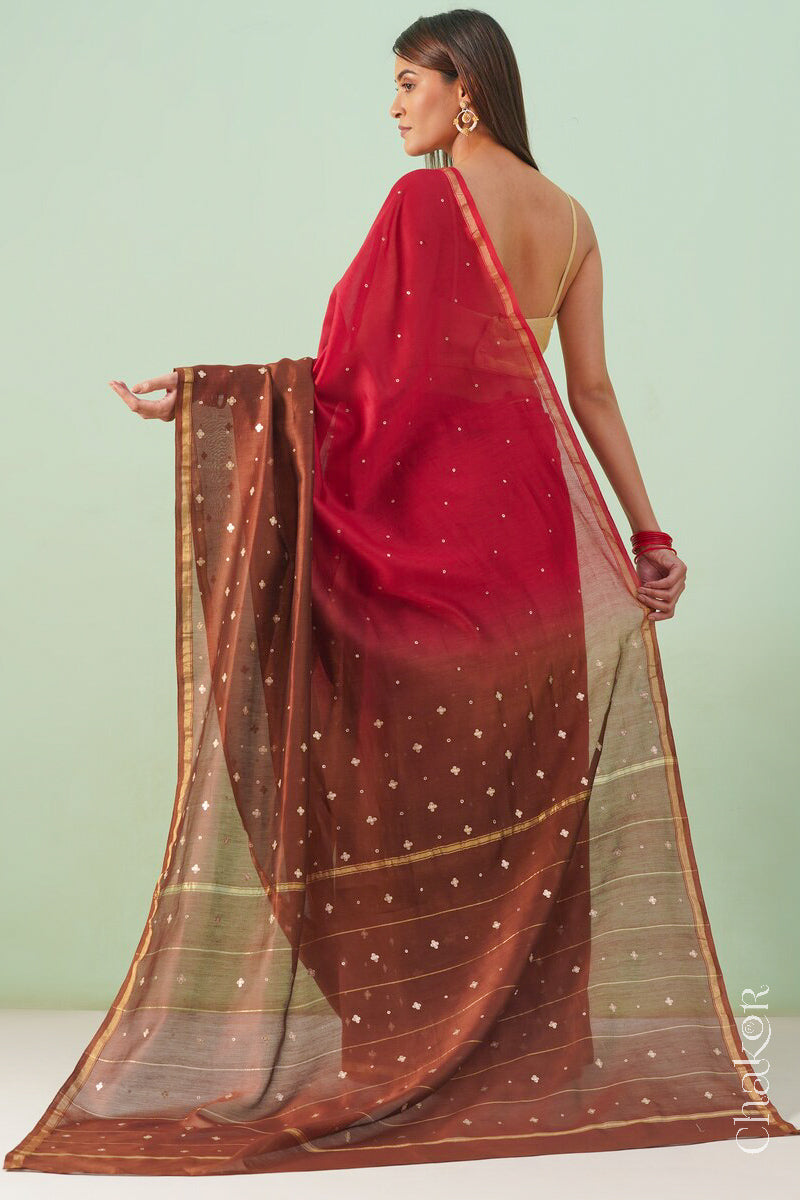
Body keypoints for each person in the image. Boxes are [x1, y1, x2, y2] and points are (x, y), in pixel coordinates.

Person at [6, 8, 797, 1179]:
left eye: (404, 84)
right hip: (532, 535)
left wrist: (211, 395)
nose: (391, 108)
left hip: (434, 526)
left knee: (391, 765)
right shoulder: (570, 219)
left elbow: (348, 385)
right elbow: (590, 391)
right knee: (509, 777)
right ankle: (518, 1047)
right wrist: (645, 530)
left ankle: (416, 1034)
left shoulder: (428, 203)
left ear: (461, 90)